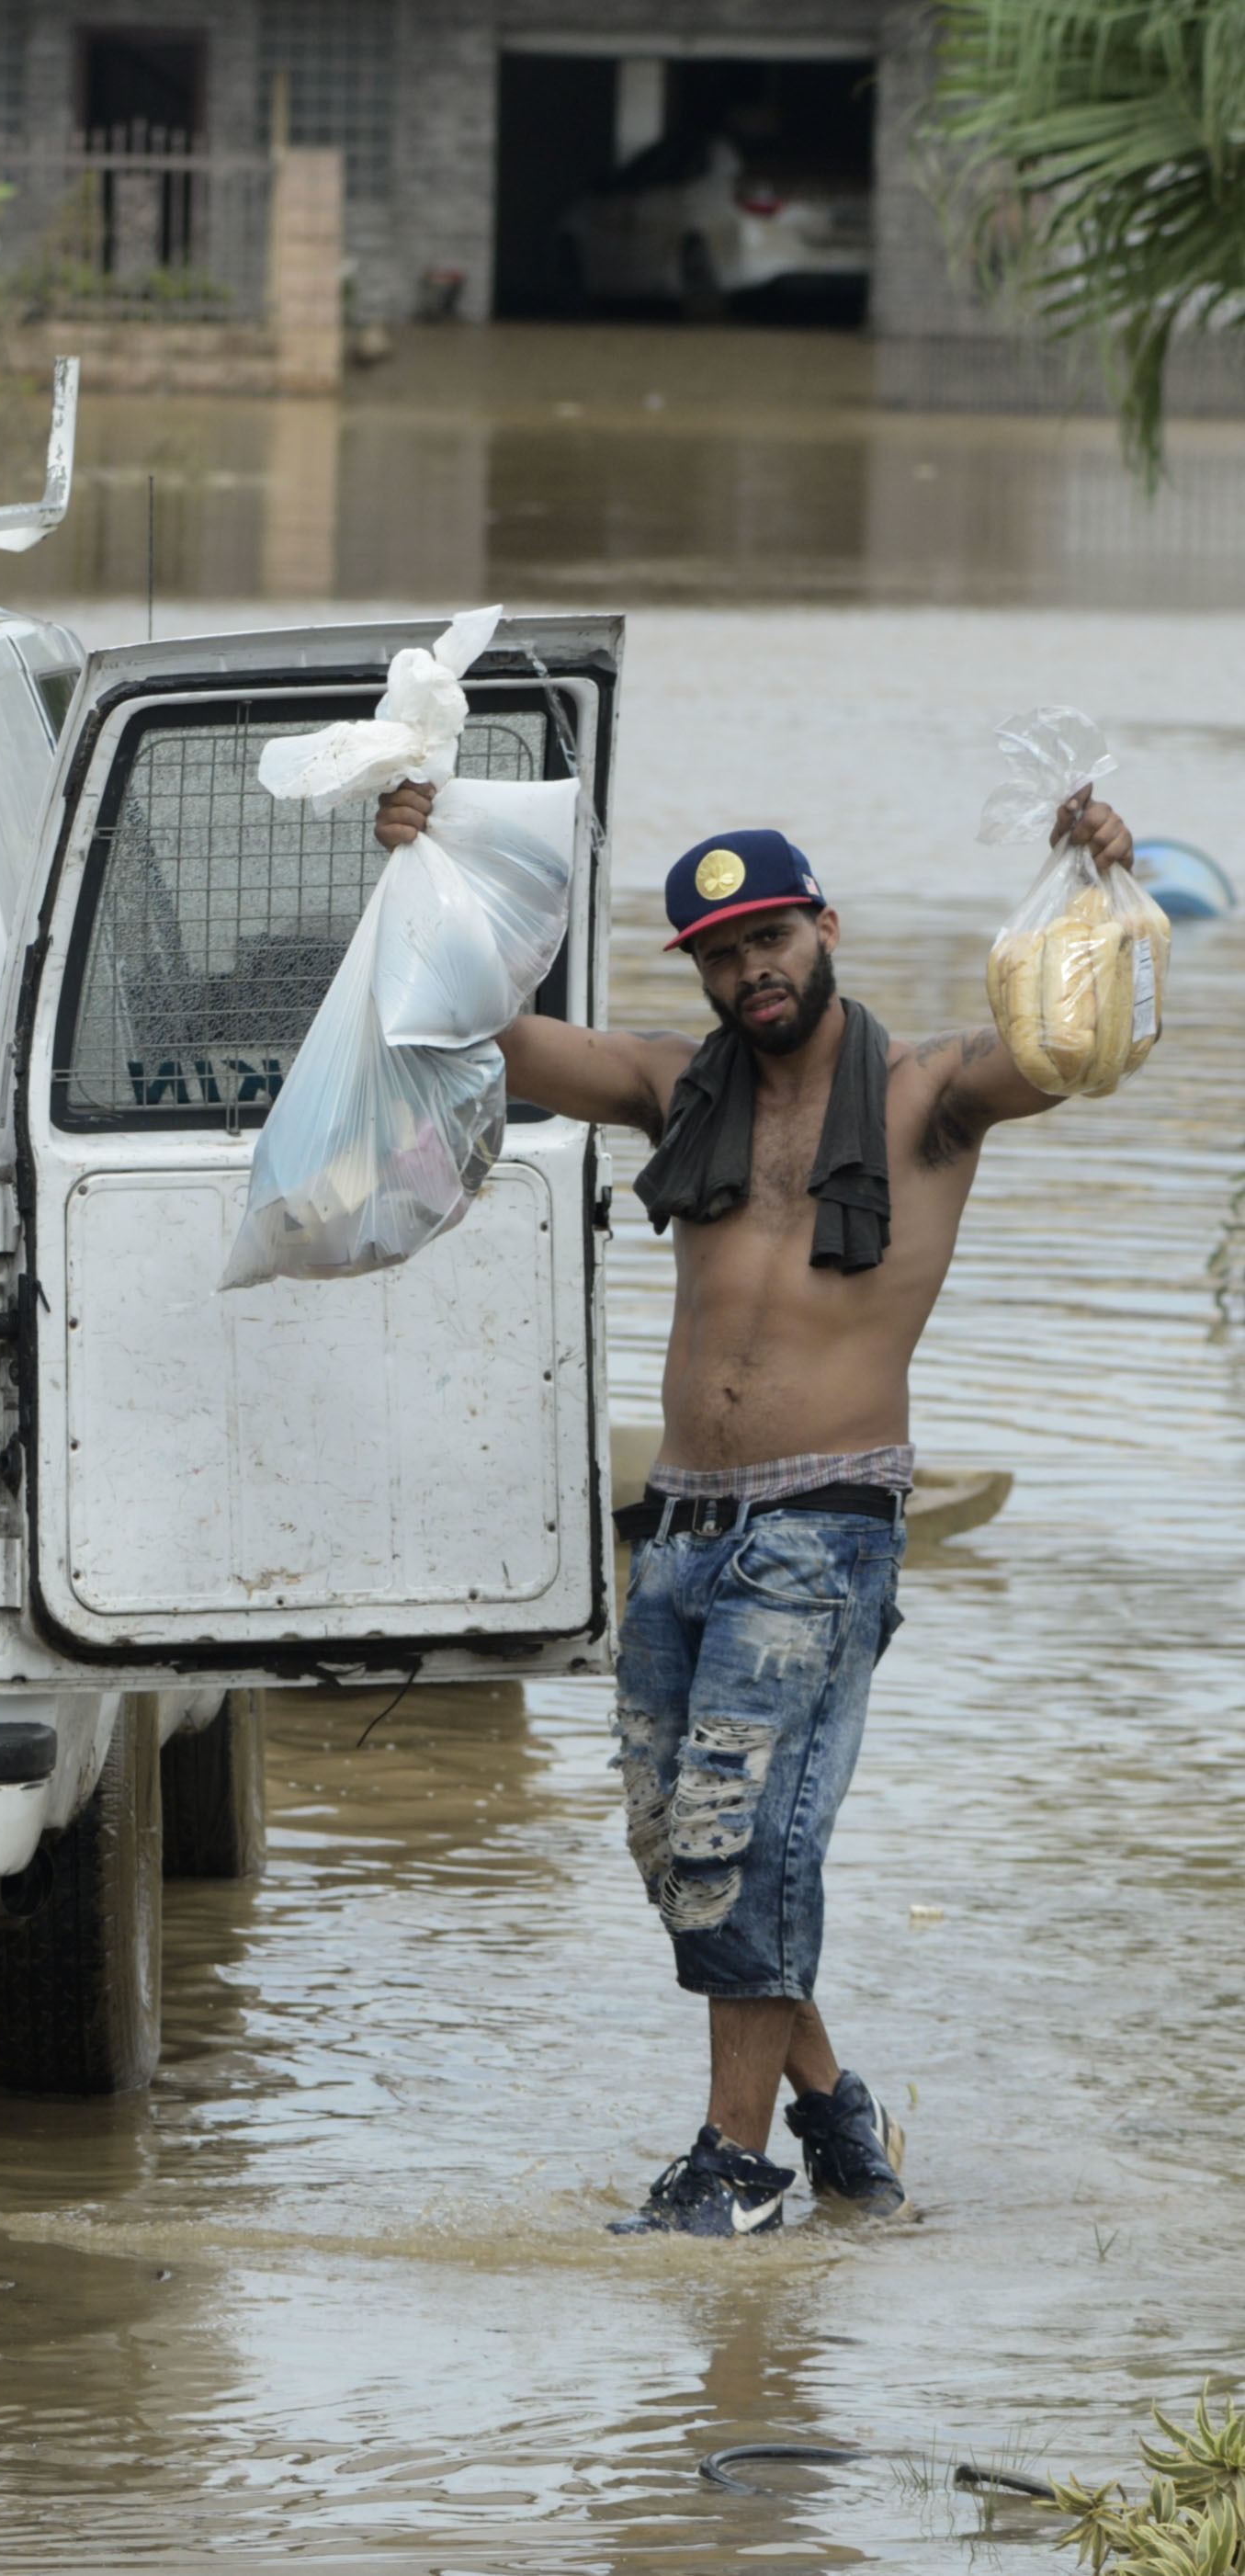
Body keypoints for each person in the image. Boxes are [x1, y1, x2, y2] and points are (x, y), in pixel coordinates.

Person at [374, 783, 1143, 2236]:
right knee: (677, 1849)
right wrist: (430, 865)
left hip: (824, 1519)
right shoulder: (679, 1083)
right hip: (678, 1526)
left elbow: (1081, 1051)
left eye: (771, 938)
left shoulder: (930, 1093)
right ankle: (840, 2124)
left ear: (824, 927)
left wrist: (1109, 884)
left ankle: (733, 2163)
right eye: (722, 956)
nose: (752, 973)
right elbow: (486, 1028)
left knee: (739, 1836)